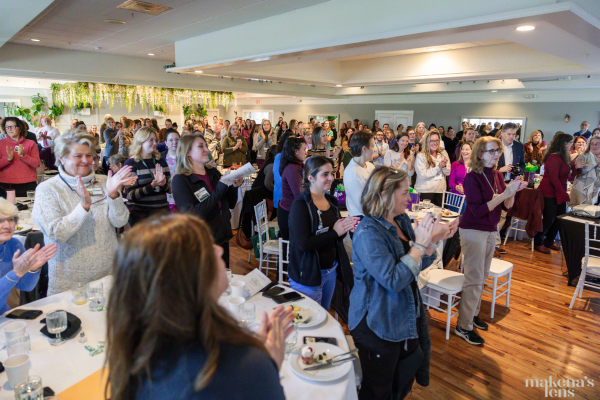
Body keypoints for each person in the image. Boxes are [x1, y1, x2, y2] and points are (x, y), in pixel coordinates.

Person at [106, 213, 292, 400]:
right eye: (208, 247)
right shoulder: (241, 370)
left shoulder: (139, 358)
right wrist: (267, 366)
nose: (219, 250)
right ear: (185, 278)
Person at [350, 166, 458, 399]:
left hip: (401, 315)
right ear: (385, 195)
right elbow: (394, 279)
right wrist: (419, 246)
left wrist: (432, 240)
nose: (410, 198)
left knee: (401, 381)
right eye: (404, 193)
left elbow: (413, 264)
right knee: (379, 390)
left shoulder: (400, 219)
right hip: (376, 323)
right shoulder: (368, 232)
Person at [32, 130, 133, 295]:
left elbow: (119, 222)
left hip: (107, 277)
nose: (86, 161)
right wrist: (83, 207)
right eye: (78, 156)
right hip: (69, 284)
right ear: (62, 157)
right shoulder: (48, 190)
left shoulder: (105, 182)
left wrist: (114, 195)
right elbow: (57, 234)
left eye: (89, 155)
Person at [455, 136, 527, 345]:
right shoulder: (472, 177)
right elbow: (477, 210)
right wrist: (505, 192)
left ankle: (473, 314)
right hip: (473, 230)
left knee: (482, 275)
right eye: (492, 151)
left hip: (490, 229)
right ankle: (463, 325)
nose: (497, 154)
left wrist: (512, 191)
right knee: (474, 279)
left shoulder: (496, 174)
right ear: (480, 154)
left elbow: (505, 206)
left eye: (498, 151)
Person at [288, 156, 357, 311]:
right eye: (325, 174)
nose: (331, 178)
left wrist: (345, 228)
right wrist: (334, 232)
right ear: (311, 178)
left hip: (330, 271)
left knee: (324, 314)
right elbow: (304, 244)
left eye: (331, 173)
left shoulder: (331, 201)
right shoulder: (300, 205)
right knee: (309, 322)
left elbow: (335, 236)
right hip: (308, 274)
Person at [172, 135, 243, 268]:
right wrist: (221, 188)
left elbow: (230, 204)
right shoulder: (181, 180)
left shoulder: (213, 173)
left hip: (221, 236)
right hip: (201, 242)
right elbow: (192, 214)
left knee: (224, 280)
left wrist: (234, 186)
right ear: (187, 152)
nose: (207, 149)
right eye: (201, 146)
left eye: (206, 146)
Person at [0, 199, 57, 313]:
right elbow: (15, 276)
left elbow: (25, 286)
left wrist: (32, 269)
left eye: (11, 219)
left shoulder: (14, 244)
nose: (7, 225)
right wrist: (16, 273)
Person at [533, 133, 583, 254]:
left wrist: (577, 168)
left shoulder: (563, 156)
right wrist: (562, 193)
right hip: (549, 192)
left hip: (558, 190)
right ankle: (538, 242)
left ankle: (549, 240)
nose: (572, 145)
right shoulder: (554, 157)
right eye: (570, 142)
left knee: (559, 218)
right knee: (549, 218)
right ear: (564, 143)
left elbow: (568, 176)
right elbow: (553, 178)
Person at [124, 127, 171, 227]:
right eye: (151, 140)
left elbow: (171, 189)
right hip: (141, 214)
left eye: (156, 140)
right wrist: (152, 186)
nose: (155, 143)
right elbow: (131, 195)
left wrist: (163, 184)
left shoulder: (161, 161)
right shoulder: (131, 163)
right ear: (141, 140)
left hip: (162, 213)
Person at [0, 117, 40, 197]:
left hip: (28, 184)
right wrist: (8, 159)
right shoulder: (1, 143)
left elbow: (36, 164)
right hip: (5, 185)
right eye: (7, 127)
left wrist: (23, 156)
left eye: (12, 126)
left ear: (20, 128)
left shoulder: (30, 143)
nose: (9, 129)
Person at [278, 137, 307, 240]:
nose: (306, 152)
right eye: (304, 149)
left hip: (290, 210)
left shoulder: (297, 166)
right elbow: (299, 195)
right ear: (296, 152)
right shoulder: (292, 169)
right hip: (288, 213)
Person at [343, 131, 375, 222]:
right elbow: (363, 207)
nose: (374, 150)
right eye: (372, 146)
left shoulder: (370, 165)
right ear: (364, 149)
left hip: (373, 218)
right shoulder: (352, 173)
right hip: (361, 221)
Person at [414, 131, 450, 206]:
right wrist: (438, 167)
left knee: (439, 216)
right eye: (432, 141)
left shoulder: (443, 153)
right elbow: (422, 174)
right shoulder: (421, 156)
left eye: (437, 140)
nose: (435, 143)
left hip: (440, 191)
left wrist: (444, 166)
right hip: (425, 191)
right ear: (427, 142)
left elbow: (447, 172)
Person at [570, 136, 600, 206]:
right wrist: (595, 162)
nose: (594, 146)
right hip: (583, 189)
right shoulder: (583, 156)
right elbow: (581, 171)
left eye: (597, 144)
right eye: (592, 144)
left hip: (597, 189)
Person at [161, 129, 180, 213]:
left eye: (177, 139)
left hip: (184, 196)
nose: (174, 142)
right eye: (171, 140)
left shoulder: (187, 157)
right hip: (168, 198)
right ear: (166, 142)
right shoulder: (161, 158)